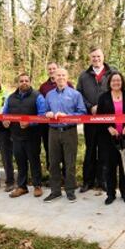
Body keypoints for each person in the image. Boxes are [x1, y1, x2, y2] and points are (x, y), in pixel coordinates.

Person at [43, 68, 87, 203]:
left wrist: (67, 116)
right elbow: (44, 111)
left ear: (67, 77)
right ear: (54, 78)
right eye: (58, 75)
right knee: (54, 163)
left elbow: (82, 113)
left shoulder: (75, 94)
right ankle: (55, 191)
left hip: (69, 132)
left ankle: (70, 190)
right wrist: (47, 113)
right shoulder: (49, 95)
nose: (60, 77)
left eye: (63, 75)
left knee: (70, 162)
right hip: (53, 132)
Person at [95, 71, 125, 205]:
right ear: (109, 83)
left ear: (122, 82)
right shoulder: (104, 97)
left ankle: (124, 192)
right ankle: (110, 193)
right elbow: (99, 117)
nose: (116, 83)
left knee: (124, 164)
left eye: (118, 80)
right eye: (113, 80)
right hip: (108, 138)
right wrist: (109, 127)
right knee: (110, 165)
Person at [77, 47, 117, 192]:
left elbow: (118, 91)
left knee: (105, 150)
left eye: (98, 56)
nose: (96, 59)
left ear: (103, 57)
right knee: (90, 150)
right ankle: (88, 181)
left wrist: (104, 107)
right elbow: (79, 94)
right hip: (90, 119)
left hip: (107, 119)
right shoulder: (83, 76)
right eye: (93, 57)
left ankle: (103, 180)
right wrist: (90, 107)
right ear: (90, 58)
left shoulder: (112, 73)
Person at [3, 72, 47, 198]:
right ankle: (22, 187)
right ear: (18, 83)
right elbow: (5, 114)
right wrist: (4, 121)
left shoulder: (37, 96)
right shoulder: (10, 98)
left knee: (34, 162)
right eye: (21, 81)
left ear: (30, 82)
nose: (24, 83)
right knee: (20, 162)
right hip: (16, 136)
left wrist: (30, 123)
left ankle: (37, 186)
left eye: (26, 80)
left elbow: (42, 116)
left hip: (32, 136)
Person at [38, 62, 73, 179]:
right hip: (49, 127)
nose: (52, 70)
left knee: (65, 153)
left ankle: (65, 176)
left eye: (54, 68)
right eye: (50, 69)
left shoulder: (69, 85)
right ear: (47, 71)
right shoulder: (43, 87)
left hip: (66, 126)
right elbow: (42, 106)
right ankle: (53, 177)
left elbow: (74, 105)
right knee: (51, 153)